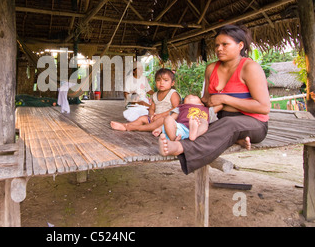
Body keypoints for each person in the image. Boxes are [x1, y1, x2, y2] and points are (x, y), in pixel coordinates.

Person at [158, 25, 270, 175]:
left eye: (225, 44)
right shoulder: (211, 68)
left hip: (253, 122)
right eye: (217, 45)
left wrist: (224, 98)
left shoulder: (250, 68)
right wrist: (192, 103)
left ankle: (180, 147)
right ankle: (235, 138)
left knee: (229, 124)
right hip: (219, 119)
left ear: (240, 45)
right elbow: (206, 100)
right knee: (198, 121)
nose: (219, 49)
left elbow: (263, 107)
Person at [111, 68, 180, 132]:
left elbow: (176, 109)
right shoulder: (155, 95)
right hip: (155, 118)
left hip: (167, 120)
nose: (161, 83)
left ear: (172, 83)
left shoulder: (172, 93)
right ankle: (125, 125)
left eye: (165, 80)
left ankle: (134, 128)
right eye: (158, 80)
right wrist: (151, 115)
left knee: (159, 122)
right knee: (142, 118)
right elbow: (152, 108)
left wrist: (160, 115)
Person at [153, 95, 221, 142]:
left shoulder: (207, 110)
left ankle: (194, 134)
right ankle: (174, 139)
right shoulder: (181, 108)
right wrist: (160, 129)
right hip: (181, 129)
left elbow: (220, 106)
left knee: (204, 121)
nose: (191, 96)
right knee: (168, 119)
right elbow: (171, 118)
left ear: (202, 104)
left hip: (198, 129)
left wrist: (209, 102)